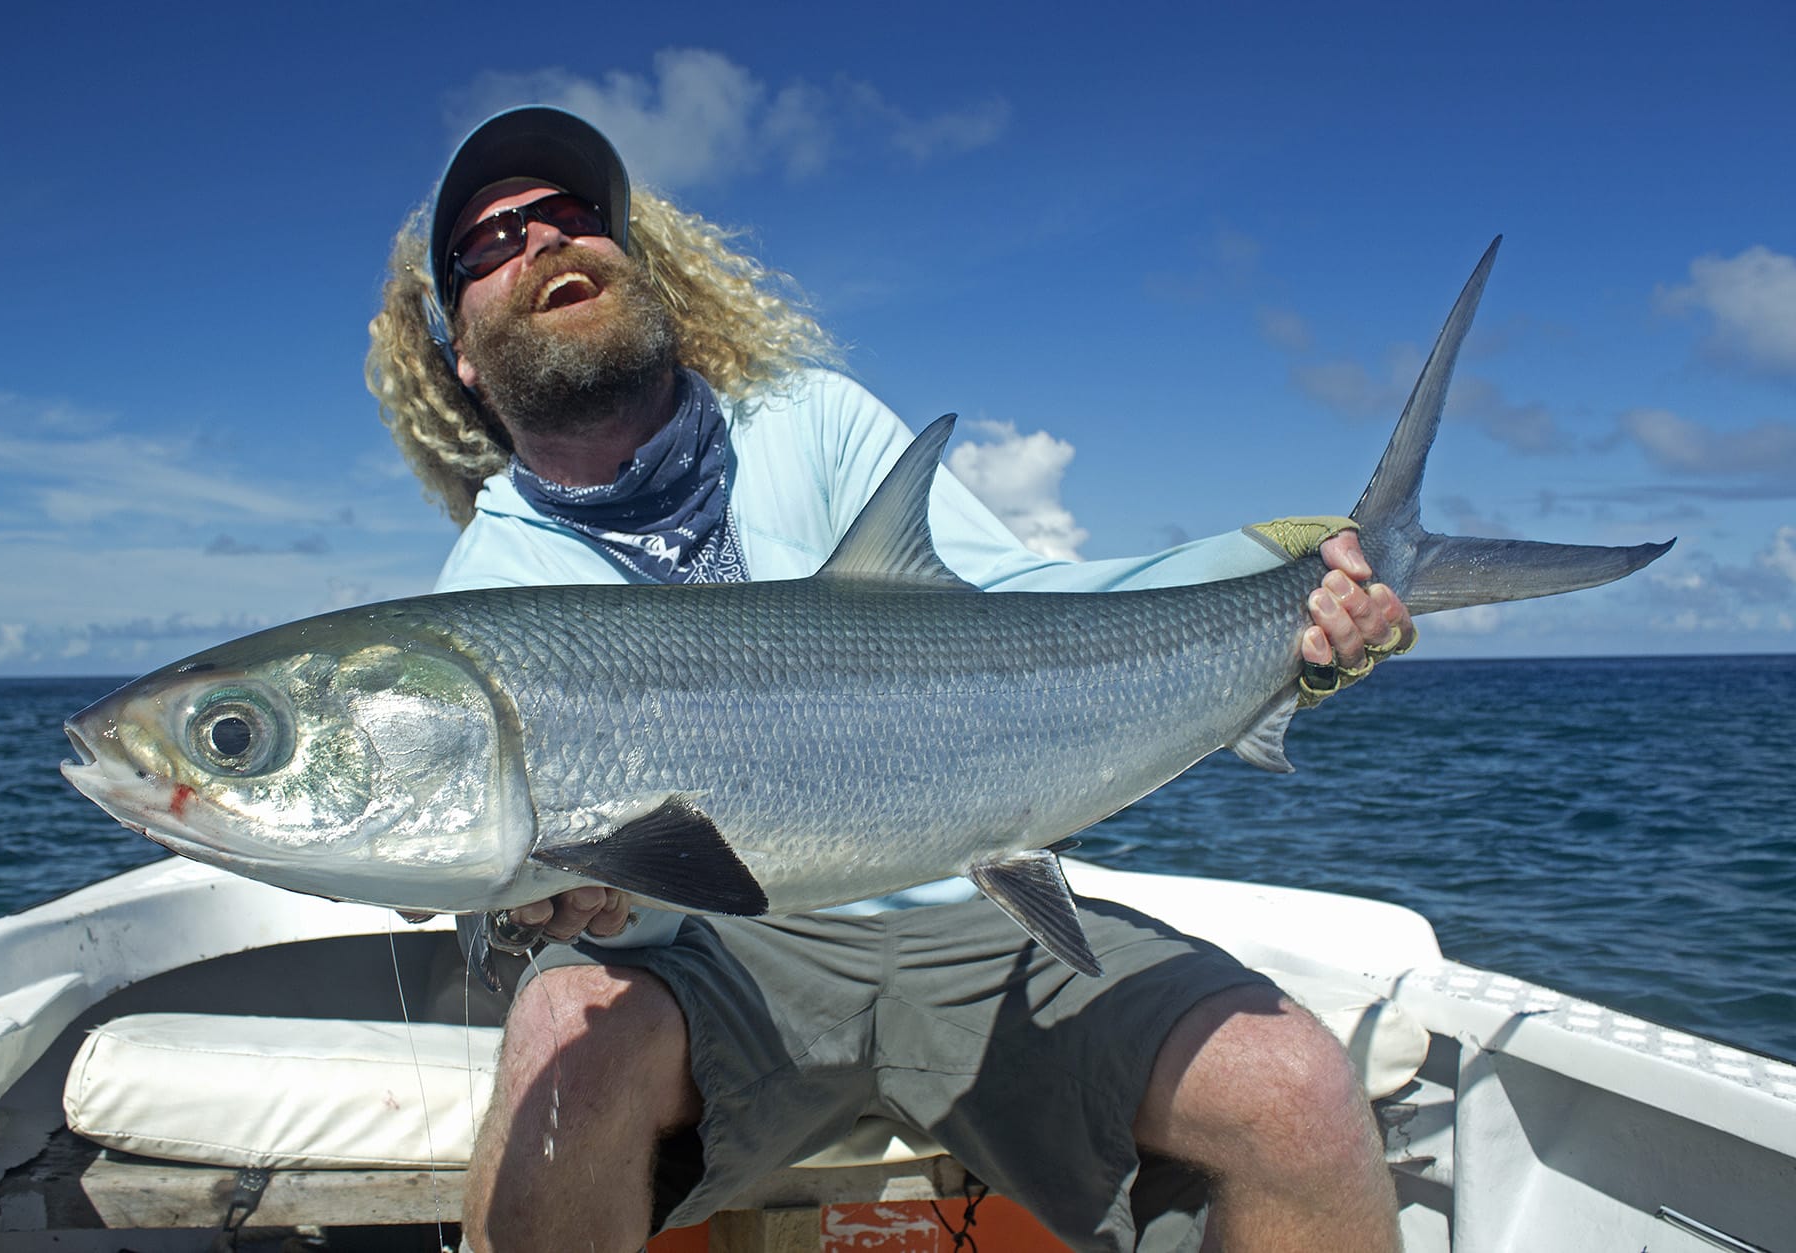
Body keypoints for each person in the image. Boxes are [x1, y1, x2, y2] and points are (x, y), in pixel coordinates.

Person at [366, 106, 1416, 1253]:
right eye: (488, 244)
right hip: (724, 961)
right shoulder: (491, 586)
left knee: (1296, 1092)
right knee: (558, 1048)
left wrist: (1271, 580)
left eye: (571, 216)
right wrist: (539, 919)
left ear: (633, 258)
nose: (541, 243)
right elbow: (546, 896)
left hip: (975, 912)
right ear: (457, 352)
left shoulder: (806, 419)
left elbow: (1027, 605)